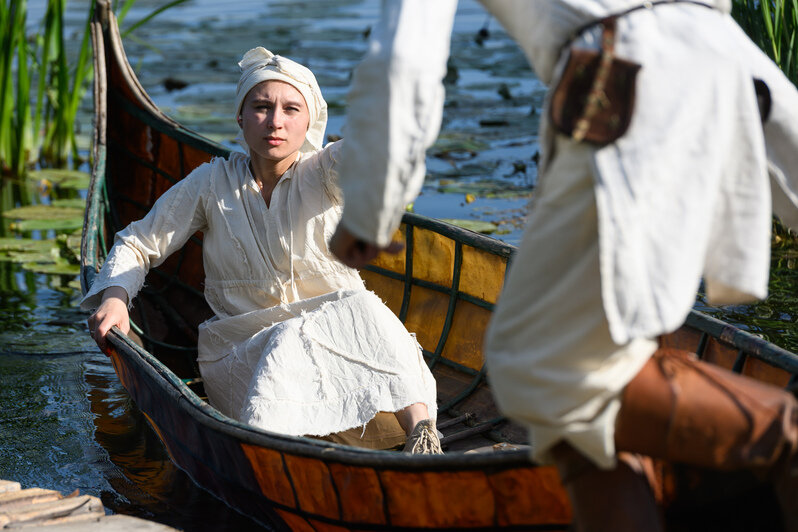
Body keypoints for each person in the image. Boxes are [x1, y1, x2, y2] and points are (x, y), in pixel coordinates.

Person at [328, 0, 798, 528]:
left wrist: (370, 207)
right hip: (721, 60)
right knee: (580, 421)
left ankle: (782, 432)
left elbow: (404, 60)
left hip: (622, 78)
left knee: (537, 365)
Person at [83, 47, 442, 454]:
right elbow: (138, 242)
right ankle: (270, 456)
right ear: (240, 116)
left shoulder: (324, 171)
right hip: (244, 355)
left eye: (291, 109)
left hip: (344, 354)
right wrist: (116, 297)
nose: (275, 122)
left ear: (309, 122)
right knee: (289, 335)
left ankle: (422, 435)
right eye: (261, 106)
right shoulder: (211, 183)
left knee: (361, 306)